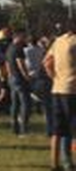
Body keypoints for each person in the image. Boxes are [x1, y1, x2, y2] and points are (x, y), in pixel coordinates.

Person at [45, 19, 76, 171]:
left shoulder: (58, 41)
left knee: (57, 130)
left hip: (57, 88)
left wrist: (55, 77)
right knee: (72, 129)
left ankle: (54, 164)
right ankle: (68, 161)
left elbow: (47, 62)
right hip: (72, 89)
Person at [6, 30, 32, 135]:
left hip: (12, 78)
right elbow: (20, 63)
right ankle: (23, 128)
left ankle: (14, 128)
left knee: (15, 104)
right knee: (25, 103)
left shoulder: (9, 48)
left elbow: (7, 64)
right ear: (19, 37)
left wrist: (9, 75)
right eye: (24, 37)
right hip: (20, 79)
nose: (25, 39)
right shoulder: (18, 48)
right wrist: (27, 76)